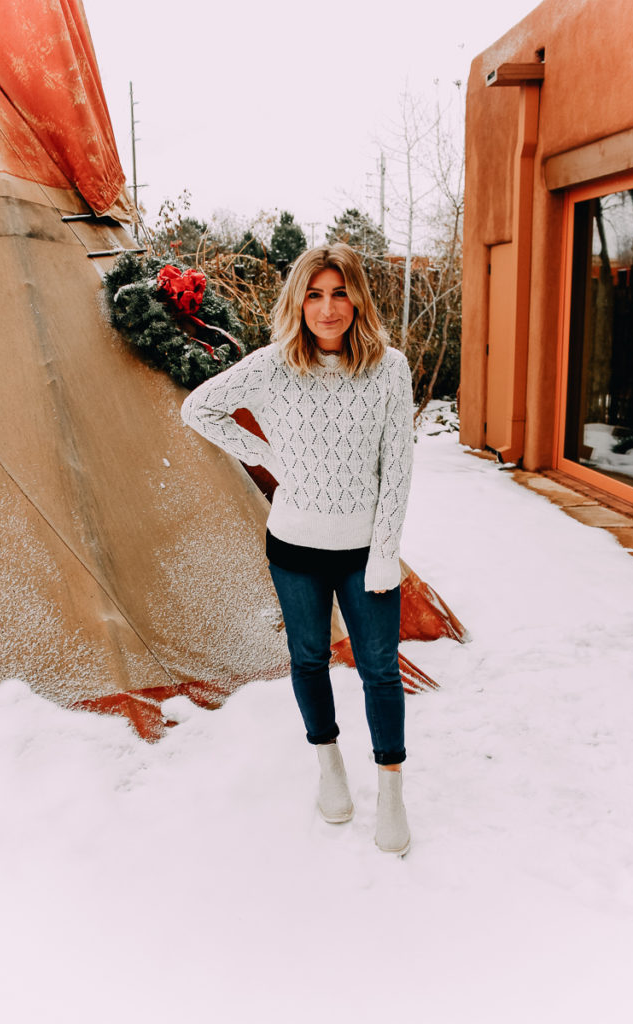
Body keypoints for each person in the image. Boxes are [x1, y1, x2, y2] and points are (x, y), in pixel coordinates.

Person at [181, 243, 414, 855]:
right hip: (294, 548)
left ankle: (391, 788)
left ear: (357, 298)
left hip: (365, 551)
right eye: (314, 294)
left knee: (380, 669)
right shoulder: (273, 365)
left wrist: (386, 551)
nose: (328, 308)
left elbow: (398, 470)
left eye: (340, 293)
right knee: (309, 658)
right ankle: (329, 764)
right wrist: (265, 454)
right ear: (298, 301)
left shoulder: (389, 368)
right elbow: (198, 408)